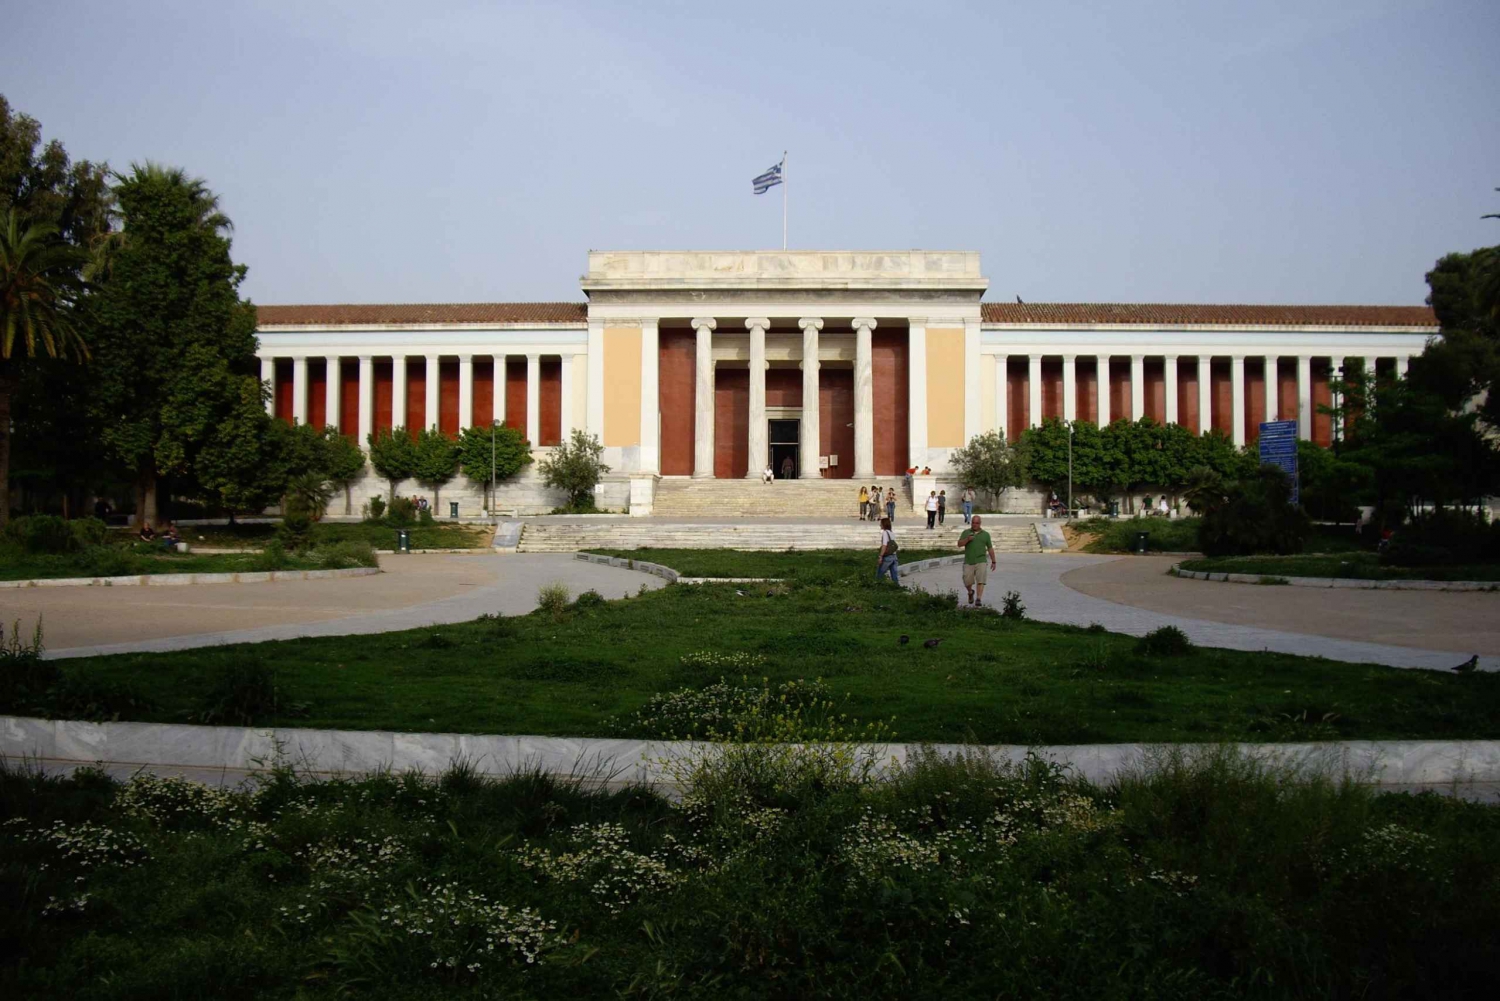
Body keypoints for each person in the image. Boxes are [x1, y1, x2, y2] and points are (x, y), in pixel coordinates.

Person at [956, 515, 998, 607]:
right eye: (973, 523)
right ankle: (970, 592)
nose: (975, 525)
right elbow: (959, 544)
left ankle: (978, 598)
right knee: (967, 580)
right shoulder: (966, 532)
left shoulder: (986, 534)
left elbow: (990, 548)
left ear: (980, 523)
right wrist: (967, 539)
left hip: (981, 560)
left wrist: (993, 561)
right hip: (969, 560)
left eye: (977, 523)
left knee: (981, 579)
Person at [875, 516, 900, 584]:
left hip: (888, 557)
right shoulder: (891, 533)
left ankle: (877, 589)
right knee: (894, 576)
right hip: (894, 556)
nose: (880, 525)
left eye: (881, 523)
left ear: (884, 524)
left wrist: (881, 556)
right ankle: (897, 589)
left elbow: (884, 545)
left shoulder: (885, 533)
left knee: (879, 574)